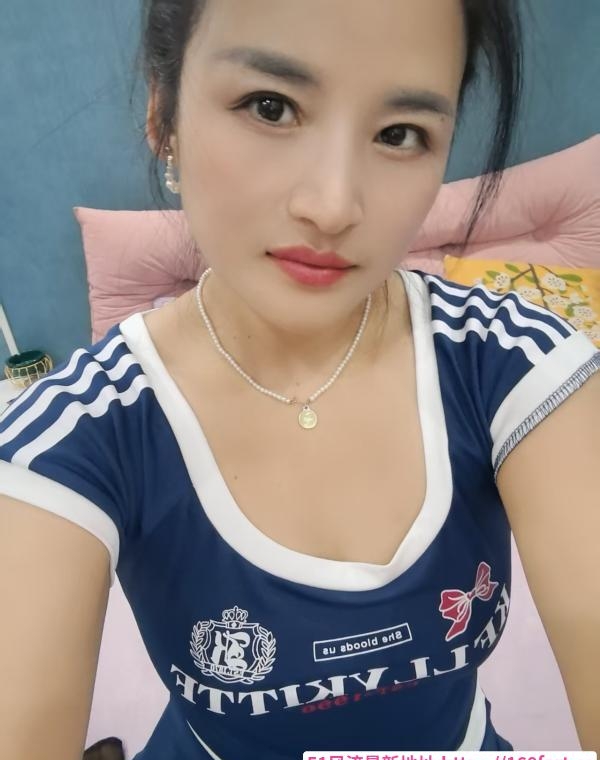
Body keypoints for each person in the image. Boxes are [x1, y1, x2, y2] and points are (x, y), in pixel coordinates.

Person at [1, 1, 599, 757]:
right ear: (164, 114)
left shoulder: (510, 363)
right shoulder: (76, 439)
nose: (333, 206)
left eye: (399, 134)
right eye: (270, 106)